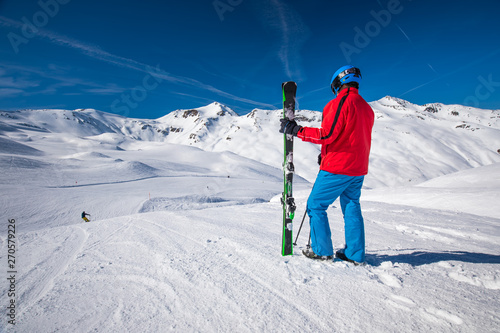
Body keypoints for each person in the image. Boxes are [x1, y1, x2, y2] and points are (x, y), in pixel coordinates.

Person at [279, 65, 374, 264]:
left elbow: (328, 134)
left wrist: (297, 130)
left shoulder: (340, 102)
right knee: (351, 207)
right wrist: (326, 154)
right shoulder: (367, 107)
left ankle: (322, 251)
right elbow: (351, 137)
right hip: (358, 168)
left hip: (338, 168)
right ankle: (355, 255)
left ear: (338, 83)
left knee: (316, 205)